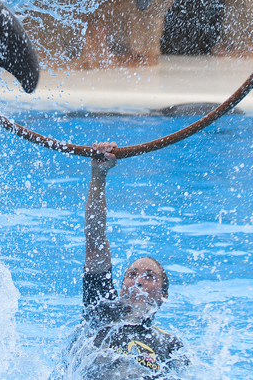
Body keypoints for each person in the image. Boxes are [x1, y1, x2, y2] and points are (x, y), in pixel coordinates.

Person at [54, 142, 188, 379]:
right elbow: (95, 242)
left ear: (163, 294)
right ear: (122, 285)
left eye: (149, 277)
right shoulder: (101, 311)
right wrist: (98, 175)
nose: (138, 281)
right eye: (132, 274)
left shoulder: (171, 346)